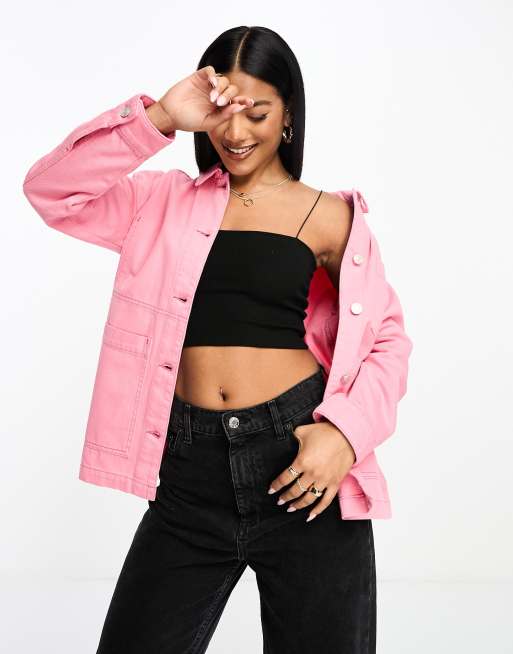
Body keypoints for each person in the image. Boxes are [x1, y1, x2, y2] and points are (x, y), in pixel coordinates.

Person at [23, 25, 413, 654]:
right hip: (188, 471)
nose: (235, 133)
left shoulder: (332, 216)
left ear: (289, 115)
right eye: (223, 113)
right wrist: (159, 117)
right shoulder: (159, 202)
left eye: (257, 113)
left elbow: (386, 341)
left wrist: (344, 434)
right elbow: (52, 192)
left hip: (300, 465)